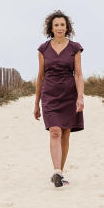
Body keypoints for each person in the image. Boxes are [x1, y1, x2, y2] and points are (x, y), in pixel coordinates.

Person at [33, 10, 84, 187]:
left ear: (67, 27)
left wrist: (80, 97)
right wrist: (36, 103)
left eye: (63, 25)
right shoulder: (43, 49)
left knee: (65, 134)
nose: (60, 28)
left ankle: (59, 174)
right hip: (49, 94)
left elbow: (78, 75)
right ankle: (56, 170)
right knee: (55, 130)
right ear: (51, 28)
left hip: (69, 94)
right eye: (56, 25)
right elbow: (40, 77)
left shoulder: (75, 48)